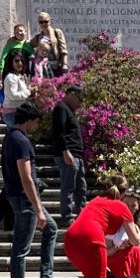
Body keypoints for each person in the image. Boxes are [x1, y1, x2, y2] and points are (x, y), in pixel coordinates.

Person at [3, 101, 56, 278]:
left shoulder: (10, 137)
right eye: (36, 123)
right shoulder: (21, 141)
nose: (36, 127)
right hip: (25, 201)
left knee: (51, 229)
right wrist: (38, 209)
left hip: (21, 198)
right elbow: (26, 178)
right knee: (20, 251)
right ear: (29, 120)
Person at [48, 92, 86, 221]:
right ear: (72, 95)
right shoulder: (61, 108)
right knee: (69, 186)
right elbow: (58, 132)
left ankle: (81, 213)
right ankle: (67, 216)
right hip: (69, 154)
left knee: (81, 186)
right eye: (79, 100)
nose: (80, 104)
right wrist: (65, 151)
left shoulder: (69, 110)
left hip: (77, 154)